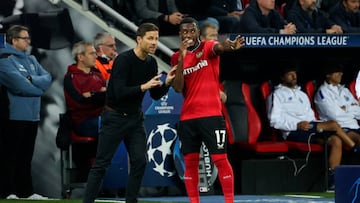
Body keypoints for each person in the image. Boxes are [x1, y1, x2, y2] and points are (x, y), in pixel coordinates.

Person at [83, 23, 176, 203]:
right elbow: (118, 92)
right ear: (139, 39)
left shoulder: (151, 63)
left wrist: (168, 83)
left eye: (156, 39)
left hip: (135, 119)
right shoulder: (123, 60)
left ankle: (131, 201)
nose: (154, 42)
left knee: (140, 161)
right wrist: (143, 87)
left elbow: (155, 95)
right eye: (150, 38)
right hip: (114, 117)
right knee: (101, 165)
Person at [170, 17, 245, 203]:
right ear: (180, 35)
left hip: (211, 116)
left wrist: (230, 46)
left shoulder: (207, 47)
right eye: (184, 32)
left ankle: (229, 200)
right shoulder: (175, 56)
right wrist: (181, 57)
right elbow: (178, 87)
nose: (188, 35)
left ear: (197, 33)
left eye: (192, 31)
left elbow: (220, 47)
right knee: (190, 162)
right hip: (188, 117)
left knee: (220, 159)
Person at [267, 63, 360, 189]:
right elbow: (273, 120)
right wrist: (296, 125)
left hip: (310, 128)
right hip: (293, 131)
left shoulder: (302, 94)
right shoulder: (276, 95)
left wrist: (317, 125)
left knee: (335, 140)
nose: (294, 76)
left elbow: (311, 117)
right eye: (290, 74)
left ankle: (332, 179)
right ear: (282, 77)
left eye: (295, 73)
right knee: (333, 124)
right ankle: (355, 148)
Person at [0, 25, 51, 200]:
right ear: (14, 40)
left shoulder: (32, 60)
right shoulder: (4, 60)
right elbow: (19, 86)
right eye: (25, 38)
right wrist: (37, 88)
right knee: (9, 156)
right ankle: (6, 191)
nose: (29, 41)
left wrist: (32, 81)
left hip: (33, 114)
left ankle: (26, 192)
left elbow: (47, 78)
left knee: (26, 156)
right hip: (13, 115)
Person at [64, 41, 107, 181]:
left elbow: (108, 96)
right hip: (82, 122)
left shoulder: (98, 75)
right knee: (109, 126)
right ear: (80, 57)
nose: (96, 56)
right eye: (92, 53)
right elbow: (78, 102)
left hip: (102, 118)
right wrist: (99, 95)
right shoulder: (71, 78)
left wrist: (93, 95)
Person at [314, 64, 360, 143]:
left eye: (341, 72)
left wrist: (346, 108)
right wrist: (352, 111)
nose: (341, 74)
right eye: (337, 72)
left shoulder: (344, 90)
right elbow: (335, 115)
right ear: (328, 75)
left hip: (355, 126)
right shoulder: (323, 92)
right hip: (341, 128)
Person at [199, 22, 227, 103]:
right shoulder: (197, 56)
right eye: (211, 36)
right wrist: (215, 91)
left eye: (216, 36)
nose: (215, 39)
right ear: (202, 38)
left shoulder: (216, 55)